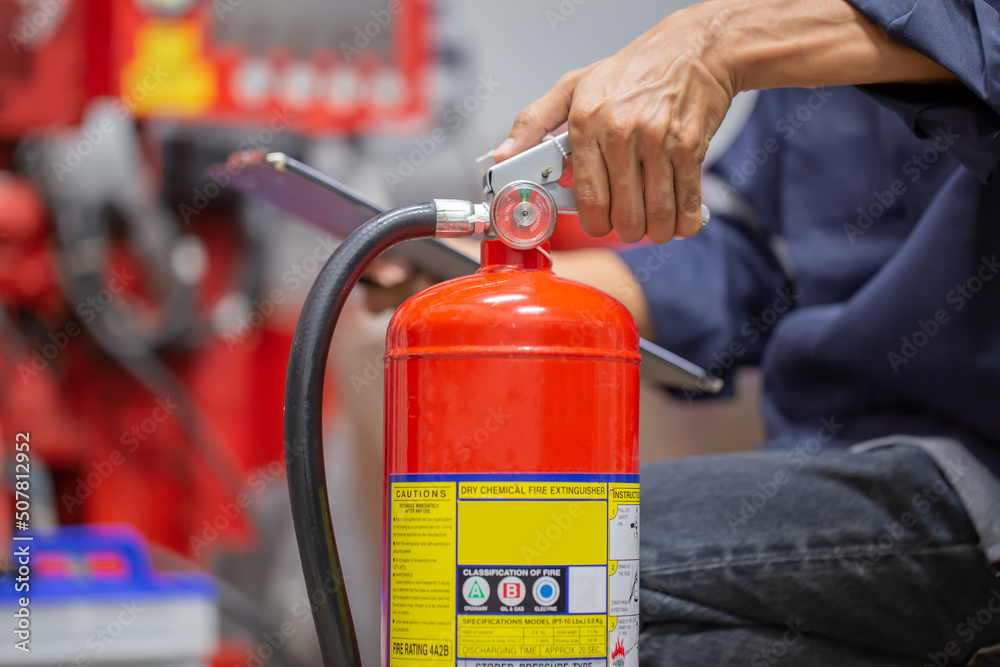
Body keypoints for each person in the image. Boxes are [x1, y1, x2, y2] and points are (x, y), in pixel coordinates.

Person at [492, 0, 1000, 664]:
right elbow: (747, 254)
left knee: (513, 575)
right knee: (524, 604)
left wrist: (720, 37)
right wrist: (508, 287)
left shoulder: (775, 27)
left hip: (972, 472)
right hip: (826, 463)